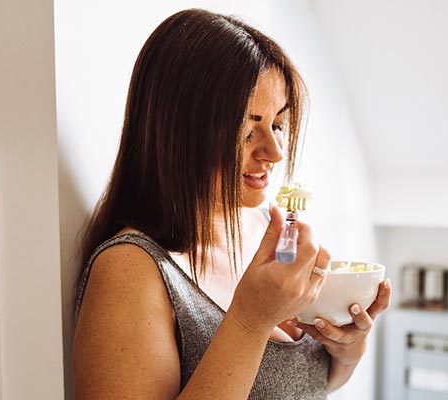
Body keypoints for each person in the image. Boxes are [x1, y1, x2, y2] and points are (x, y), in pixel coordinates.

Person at [72, 8, 391, 400]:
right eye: (246, 127)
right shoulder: (130, 271)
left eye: (277, 124)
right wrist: (250, 321)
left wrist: (346, 350)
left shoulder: (266, 230)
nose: (274, 152)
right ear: (179, 132)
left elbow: (301, 384)